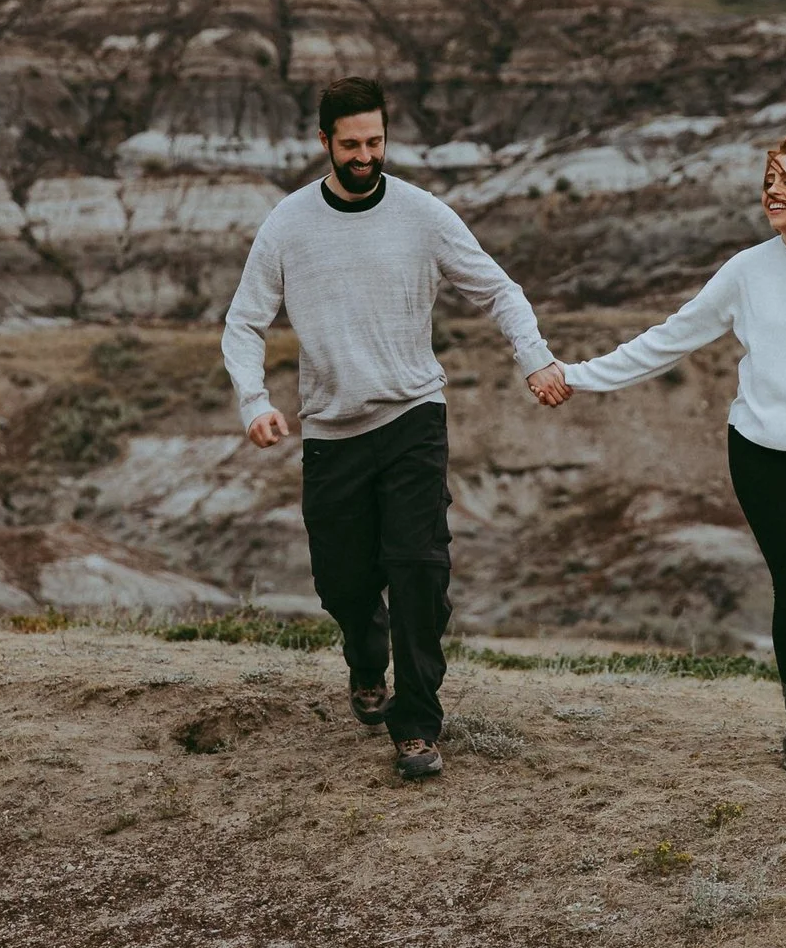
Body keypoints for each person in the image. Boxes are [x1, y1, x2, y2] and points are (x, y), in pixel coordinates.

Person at [223, 75, 570, 780]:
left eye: (375, 140)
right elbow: (244, 321)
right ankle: (363, 646)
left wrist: (535, 356)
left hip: (413, 416)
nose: (364, 154)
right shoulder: (288, 223)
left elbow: (497, 288)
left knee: (420, 568)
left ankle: (416, 723)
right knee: (343, 582)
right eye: (350, 143)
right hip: (331, 431)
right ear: (324, 143)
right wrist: (254, 402)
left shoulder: (422, 213)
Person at [553, 136, 786, 775]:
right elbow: (668, 341)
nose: (773, 192)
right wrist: (579, 374)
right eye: (767, 180)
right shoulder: (746, 272)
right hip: (760, 450)